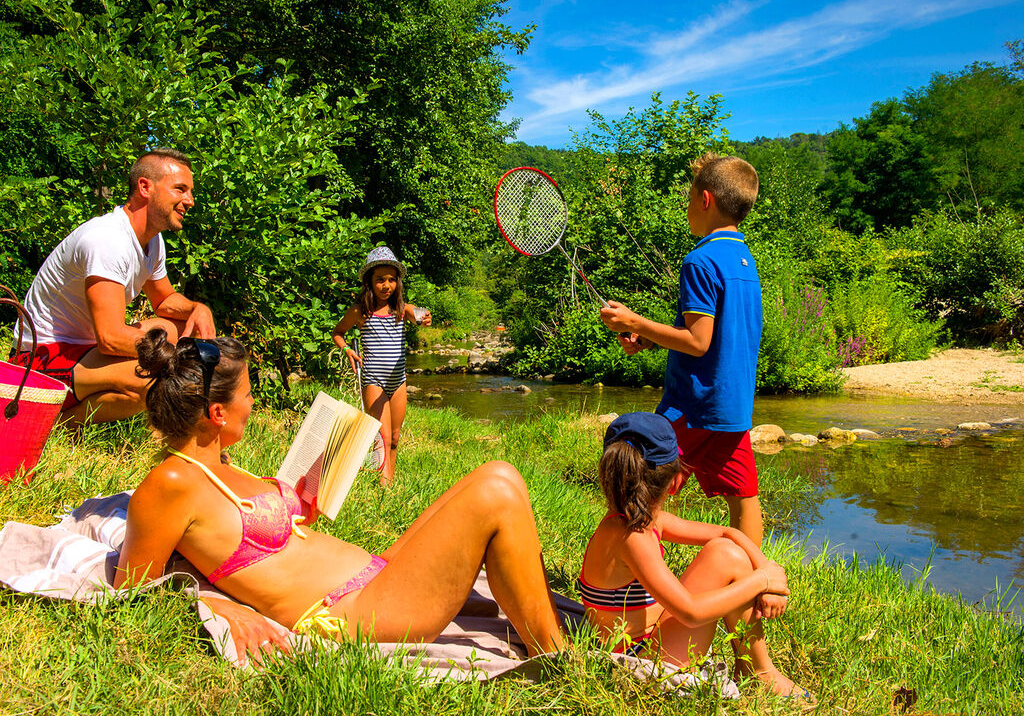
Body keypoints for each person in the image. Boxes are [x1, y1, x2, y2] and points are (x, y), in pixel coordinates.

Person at [114, 329, 562, 661]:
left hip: (374, 578)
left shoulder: (222, 466)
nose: (252, 405)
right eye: (248, 395)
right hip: (351, 614)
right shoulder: (171, 483)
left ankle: (544, 633)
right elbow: (130, 591)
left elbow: (254, 548)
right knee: (496, 486)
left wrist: (300, 500)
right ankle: (559, 659)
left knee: (496, 478)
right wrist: (215, 605)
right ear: (216, 413)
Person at [580, 412, 812, 702]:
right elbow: (691, 612)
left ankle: (753, 669)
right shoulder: (632, 537)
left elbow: (726, 533)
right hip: (640, 663)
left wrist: (766, 568)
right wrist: (762, 580)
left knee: (727, 551)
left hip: (647, 643)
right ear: (677, 482)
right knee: (728, 557)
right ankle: (761, 672)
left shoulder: (635, 521)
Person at [599, 153, 765, 545]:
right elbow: (715, 338)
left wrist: (636, 322)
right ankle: (748, 587)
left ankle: (616, 579)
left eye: (689, 198)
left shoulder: (700, 260)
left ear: (705, 199)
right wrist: (651, 337)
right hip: (733, 407)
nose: (687, 208)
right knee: (744, 499)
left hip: (693, 407)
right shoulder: (745, 261)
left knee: (636, 486)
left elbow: (698, 341)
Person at [11, 149, 215, 425]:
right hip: (39, 360)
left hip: (83, 351)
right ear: (145, 187)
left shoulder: (151, 241)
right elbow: (110, 338)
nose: (189, 201)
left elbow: (164, 299)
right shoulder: (106, 240)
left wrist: (197, 308)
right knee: (155, 381)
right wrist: (179, 358)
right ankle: (49, 423)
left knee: (173, 328)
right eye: (180, 189)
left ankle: (66, 418)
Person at [331, 246, 431, 486]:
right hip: (373, 380)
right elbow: (338, 333)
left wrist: (424, 316)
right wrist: (347, 350)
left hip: (398, 381)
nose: (386, 286)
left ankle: (389, 482)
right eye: (380, 280)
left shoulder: (400, 310)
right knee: (382, 439)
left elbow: (418, 313)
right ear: (369, 282)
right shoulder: (359, 312)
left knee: (395, 438)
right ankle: (383, 491)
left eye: (391, 280)